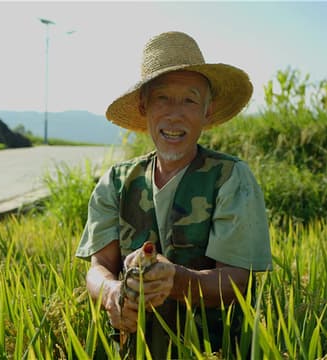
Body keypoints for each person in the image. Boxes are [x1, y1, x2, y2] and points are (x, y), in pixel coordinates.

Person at [76, 31, 272, 358]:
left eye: (189, 100)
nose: (174, 114)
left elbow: (240, 279)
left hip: (213, 348)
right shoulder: (116, 181)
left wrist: (177, 281)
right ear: (144, 108)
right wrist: (111, 293)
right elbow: (99, 267)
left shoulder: (230, 178)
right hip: (132, 347)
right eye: (162, 98)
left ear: (207, 113)